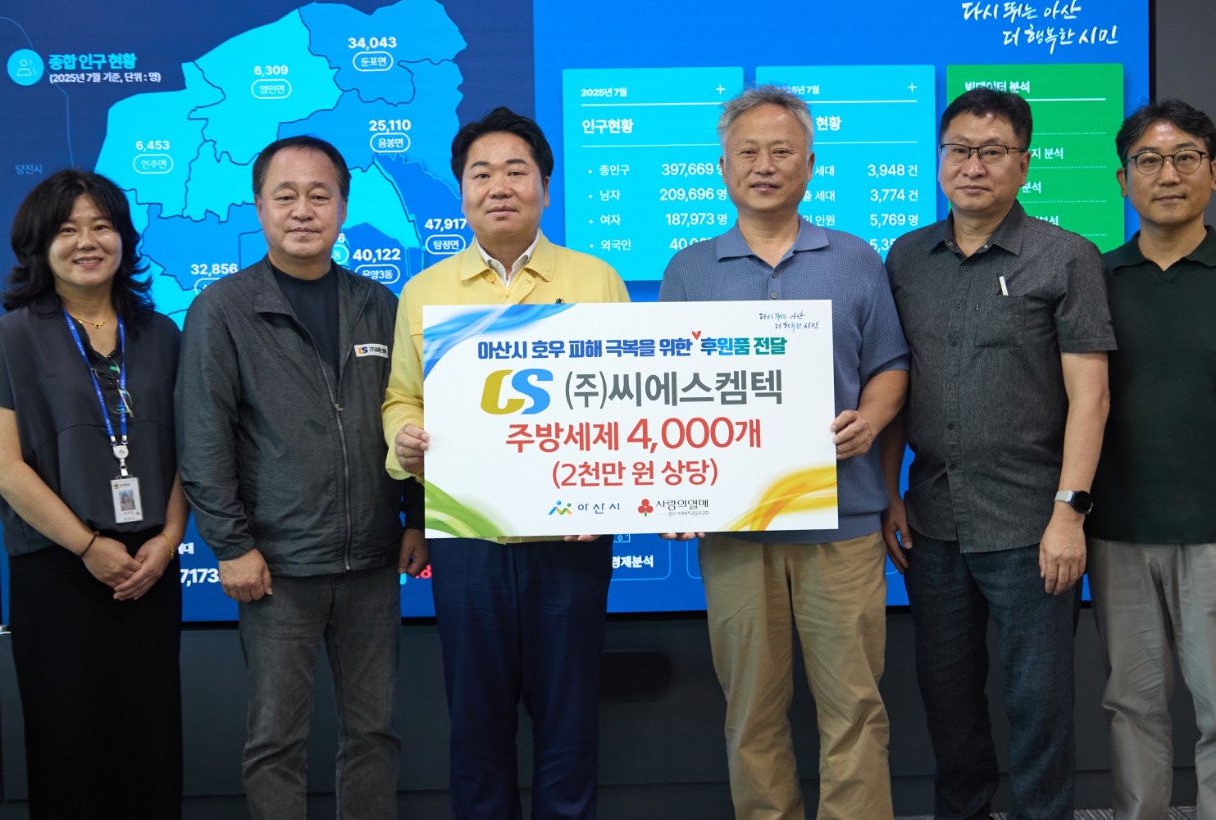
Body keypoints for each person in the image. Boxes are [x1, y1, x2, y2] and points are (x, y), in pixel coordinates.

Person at [658, 85, 910, 820]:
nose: (763, 165)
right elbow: (664, 392)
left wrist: (870, 420)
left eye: (781, 151)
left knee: (855, 707)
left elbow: (891, 363)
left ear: (810, 165)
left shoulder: (856, 258)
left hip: (844, 522)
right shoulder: (689, 270)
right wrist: (674, 489)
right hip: (738, 531)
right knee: (751, 713)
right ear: (723, 167)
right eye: (747, 152)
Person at [383, 106, 627, 820]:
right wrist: (404, 438)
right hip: (467, 539)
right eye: (480, 173)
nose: (499, 186)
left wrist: (612, 497)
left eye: (517, 171)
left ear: (545, 188)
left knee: (570, 724)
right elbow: (401, 396)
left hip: (572, 536)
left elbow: (626, 402)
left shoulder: (595, 279)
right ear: (461, 192)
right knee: (477, 727)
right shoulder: (424, 291)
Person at [176, 135, 426, 819]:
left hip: (372, 559)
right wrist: (231, 545)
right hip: (275, 567)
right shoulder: (222, 309)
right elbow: (203, 437)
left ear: (344, 206)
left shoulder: (379, 303)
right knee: (275, 741)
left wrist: (415, 519)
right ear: (259, 206)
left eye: (320, 195)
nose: (303, 210)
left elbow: (408, 414)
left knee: (374, 732)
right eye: (284, 195)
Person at [881, 87, 1114, 820]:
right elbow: (895, 381)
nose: (972, 166)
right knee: (947, 700)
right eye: (959, 150)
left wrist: (1070, 513)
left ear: (1023, 164)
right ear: (939, 160)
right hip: (933, 518)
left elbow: (1091, 397)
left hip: (1032, 523)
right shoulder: (908, 256)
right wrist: (888, 493)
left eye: (992, 152)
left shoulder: (1065, 257)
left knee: (1038, 703)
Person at [1089, 99, 1216, 820]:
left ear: (1215, 172)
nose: (1167, 175)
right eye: (1148, 161)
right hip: (1117, 529)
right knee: (1130, 705)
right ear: (1123, 179)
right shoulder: (1093, 278)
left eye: (1185, 159)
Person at [0, 168, 187, 818]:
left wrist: (169, 540)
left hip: (150, 567)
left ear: (124, 239)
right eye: (67, 229)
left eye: (102, 226)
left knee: (152, 745)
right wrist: (86, 545)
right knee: (68, 748)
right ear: (39, 245)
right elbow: (6, 468)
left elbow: (190, 453)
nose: (87, 241)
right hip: (57, 569)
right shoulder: (11, 337)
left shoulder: (161, 335)